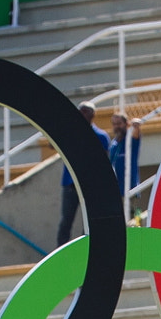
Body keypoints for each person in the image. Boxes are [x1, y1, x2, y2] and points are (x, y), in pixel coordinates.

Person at [56, 101, 112, 248]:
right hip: (71, 183)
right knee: (66, 220)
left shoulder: (101, 136)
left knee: (89, 220)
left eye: (85, 111)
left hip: (90, 185)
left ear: (93, 114)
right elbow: (53, 143)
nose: (81, 114)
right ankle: (61, 250)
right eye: (80, 111)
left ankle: (85, 247)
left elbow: (105, 160)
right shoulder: (70, 132)